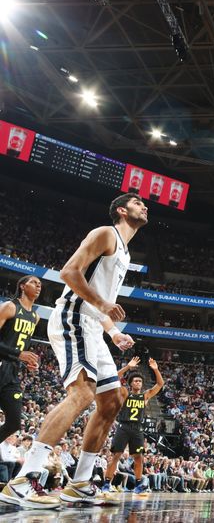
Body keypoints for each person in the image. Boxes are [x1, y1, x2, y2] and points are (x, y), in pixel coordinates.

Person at [0, 193, 145, 509]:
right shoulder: (107, 233)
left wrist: (113, 331)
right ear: (121, 210)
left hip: (92, 325)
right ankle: (23, 480)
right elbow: (69, 273)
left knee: (114, 399)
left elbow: (101, 299)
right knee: (81, 394)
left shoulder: (124, 250)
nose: (144, 206)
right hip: (73, 318)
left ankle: (80, 482)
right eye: (136, 202)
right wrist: (103, 305)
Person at [102, 356, 164, 495]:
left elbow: (160, 384)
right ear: (130, 383)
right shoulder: (125, 393)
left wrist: (156, 370)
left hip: (137, 429)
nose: (138, 383)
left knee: (139, 458)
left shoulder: (145, 396)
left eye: (140, 381)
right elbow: (115, 378)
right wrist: (128, 367)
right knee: (116, 456)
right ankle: (106, 483)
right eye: (136, 381)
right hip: (123, 427)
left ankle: (138, 485)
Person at [0, 275, 41, 443]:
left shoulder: (35, 317)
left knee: (14, 422)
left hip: (12, 372)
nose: (38, 286)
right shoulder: (10, 307)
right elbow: (16, 350)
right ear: (23, 286)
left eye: (40, 284)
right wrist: (19, 354)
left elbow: (20, 347)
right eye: (34, 282)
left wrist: (28, 361)